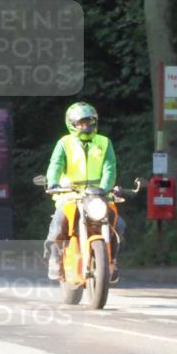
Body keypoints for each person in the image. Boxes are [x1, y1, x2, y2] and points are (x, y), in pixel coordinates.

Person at [43, 102, 124, 282]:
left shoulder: (104, 142)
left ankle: (112, 261)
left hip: (98, 196)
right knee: (59, 224)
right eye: (81, 123)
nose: (86, 126)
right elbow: (55, 165)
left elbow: (109, 169)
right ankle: (55, 259)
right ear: (72, 124)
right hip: (71, 195)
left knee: (119, 224)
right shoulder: (64, 143)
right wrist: (53, 182)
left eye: (89, 122)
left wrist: (105, 189)